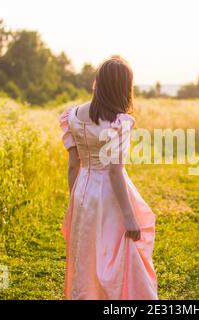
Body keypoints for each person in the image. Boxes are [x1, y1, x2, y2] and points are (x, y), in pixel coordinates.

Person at [59, 57, 157, 300]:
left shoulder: (73, 116)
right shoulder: (118, 122)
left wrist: (76, 200)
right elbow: (114, 171)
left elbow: (74, 165)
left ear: (99, 83)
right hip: (111, 195)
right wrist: (128, 216)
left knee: (88, 255)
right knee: (117, 255)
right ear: (123, 87)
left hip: (83, 189)